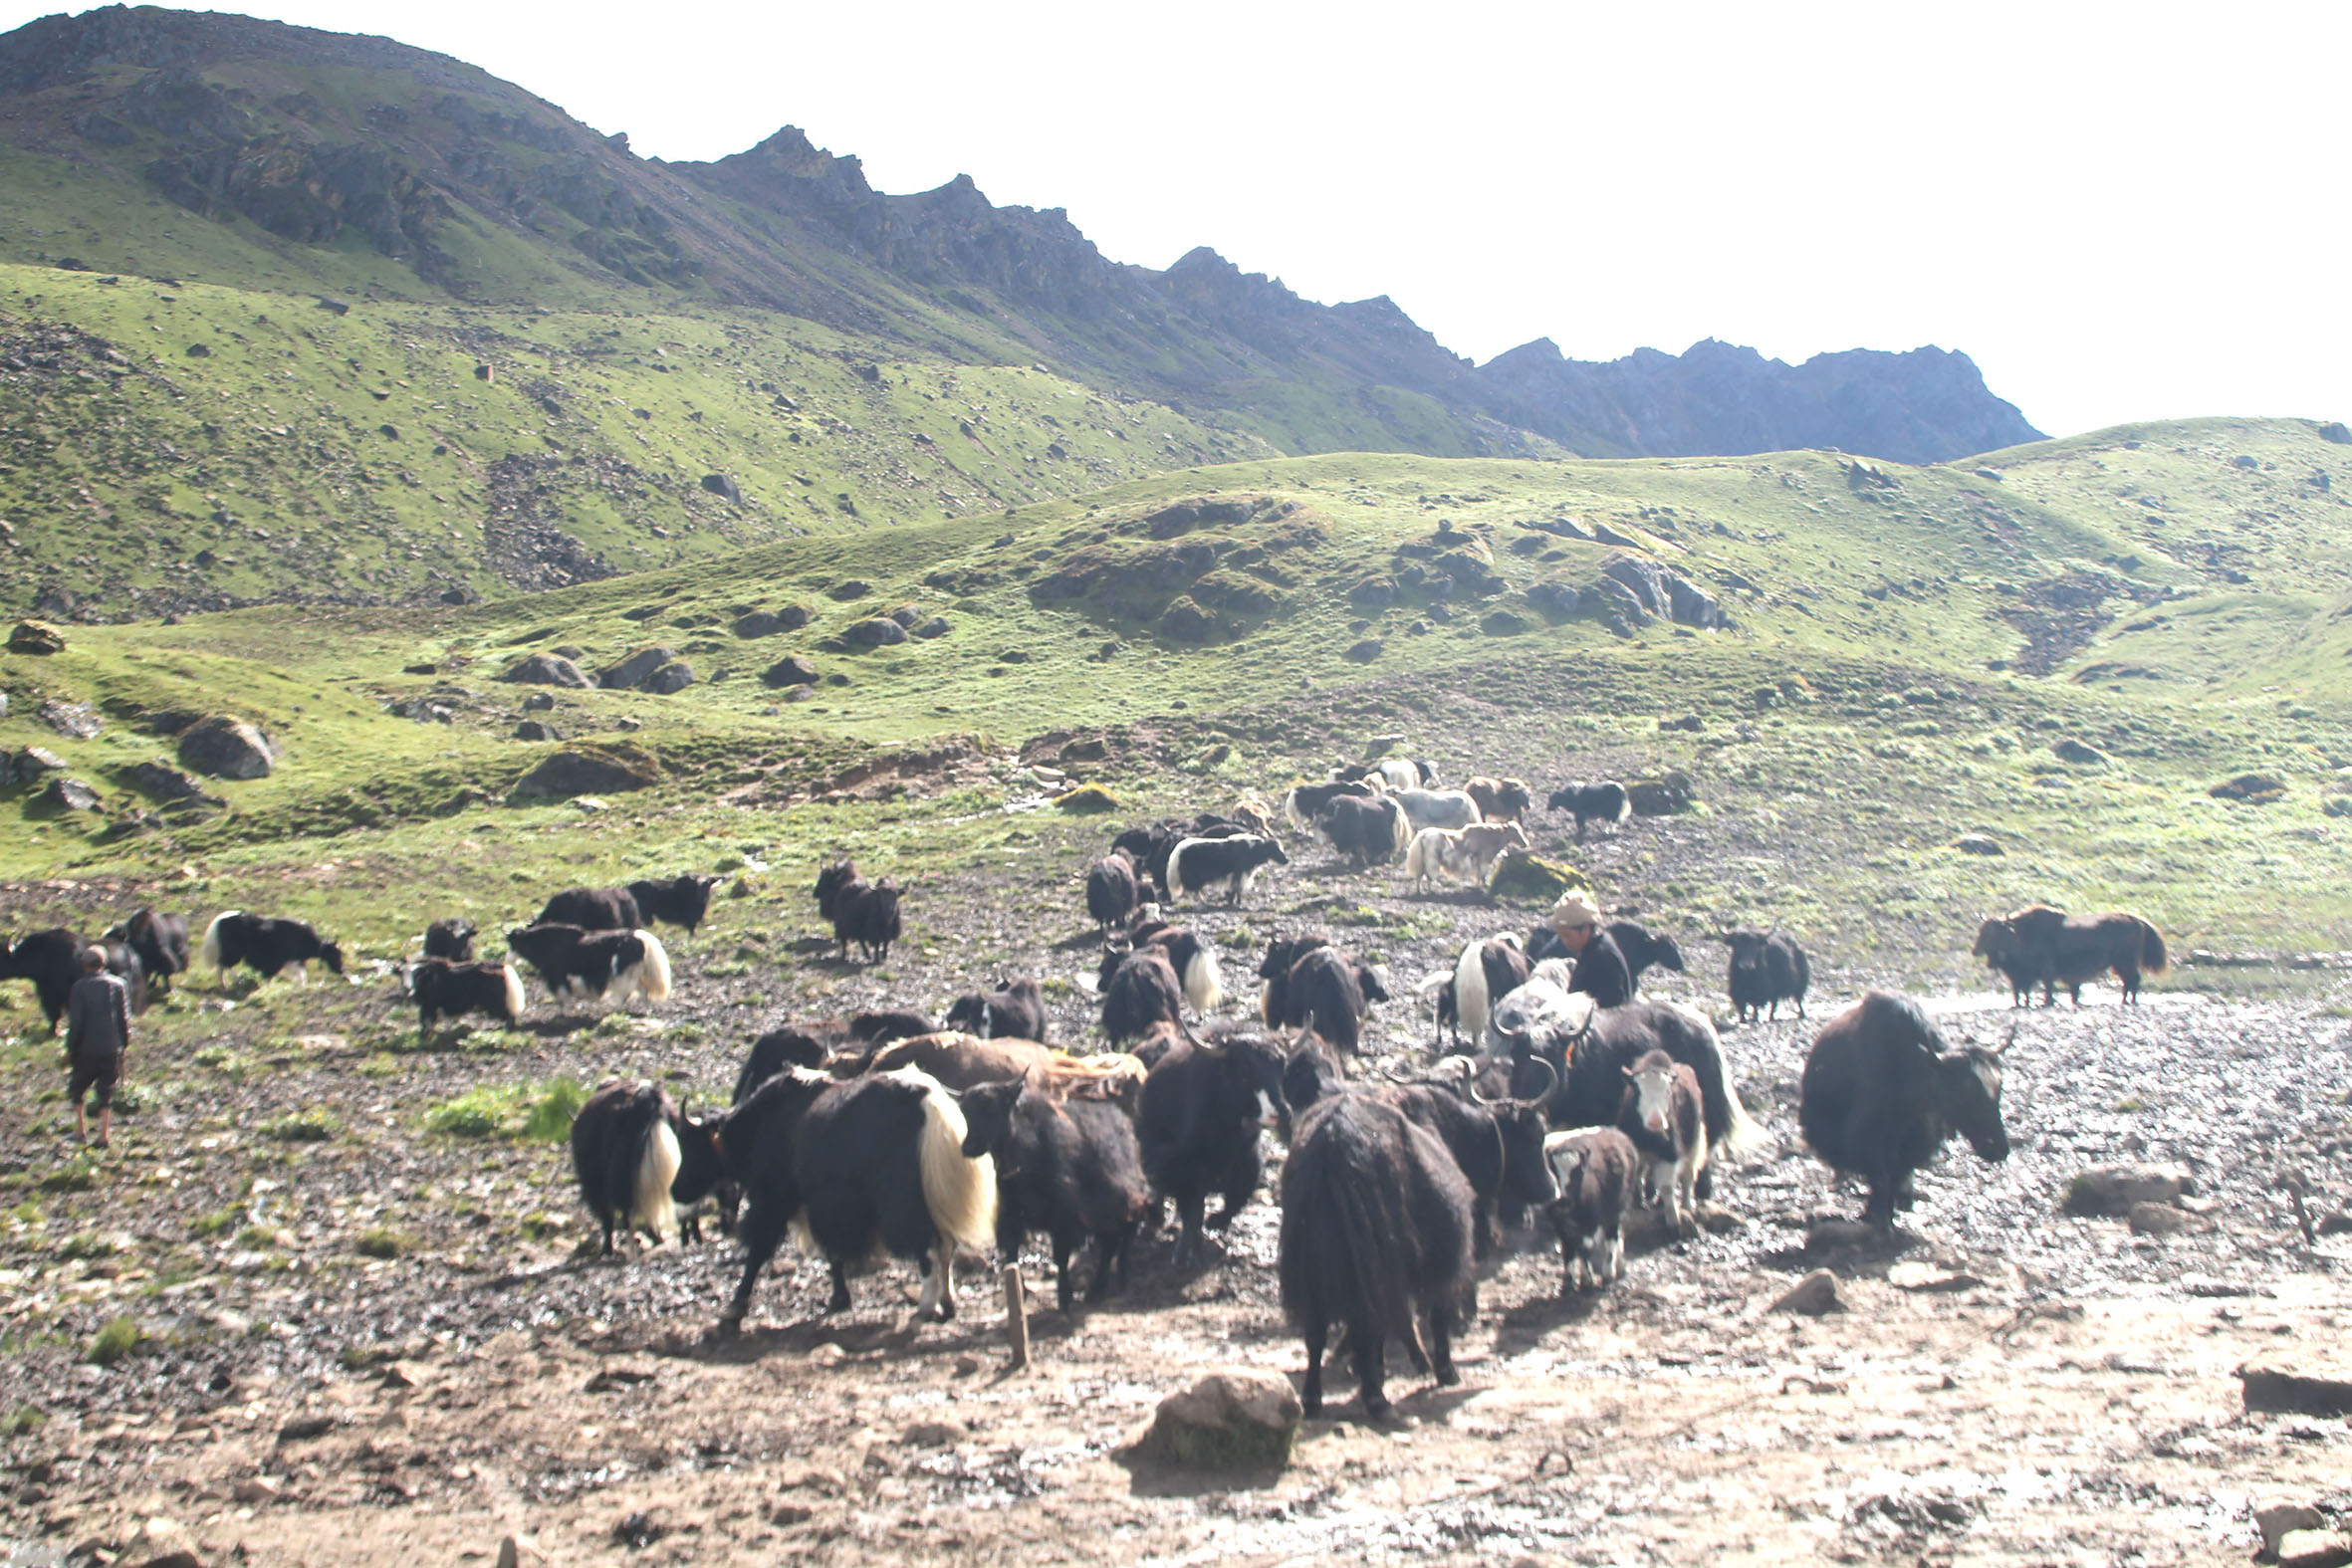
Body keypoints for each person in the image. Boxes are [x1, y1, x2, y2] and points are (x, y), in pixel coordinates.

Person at [64, 946, 130, 1150]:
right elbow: (123, 1018)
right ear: (104, 963)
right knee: (106, 1091)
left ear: (84, 965)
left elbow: (76, 1022)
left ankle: (80, 1130)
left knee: (77, 1088)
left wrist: (70, 1048)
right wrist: (123, 1044)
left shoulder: (79, 987)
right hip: (112, 1047)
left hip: (86, 1049)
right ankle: (103, 1135)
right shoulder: (118, 985)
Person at [1544, 890, 1631, 1009]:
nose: (1564, 941)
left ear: (1585, 929)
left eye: (1567, 935)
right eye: (1560, 936)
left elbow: (1613, 1008)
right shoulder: (1591, 949)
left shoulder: (1603, 958)